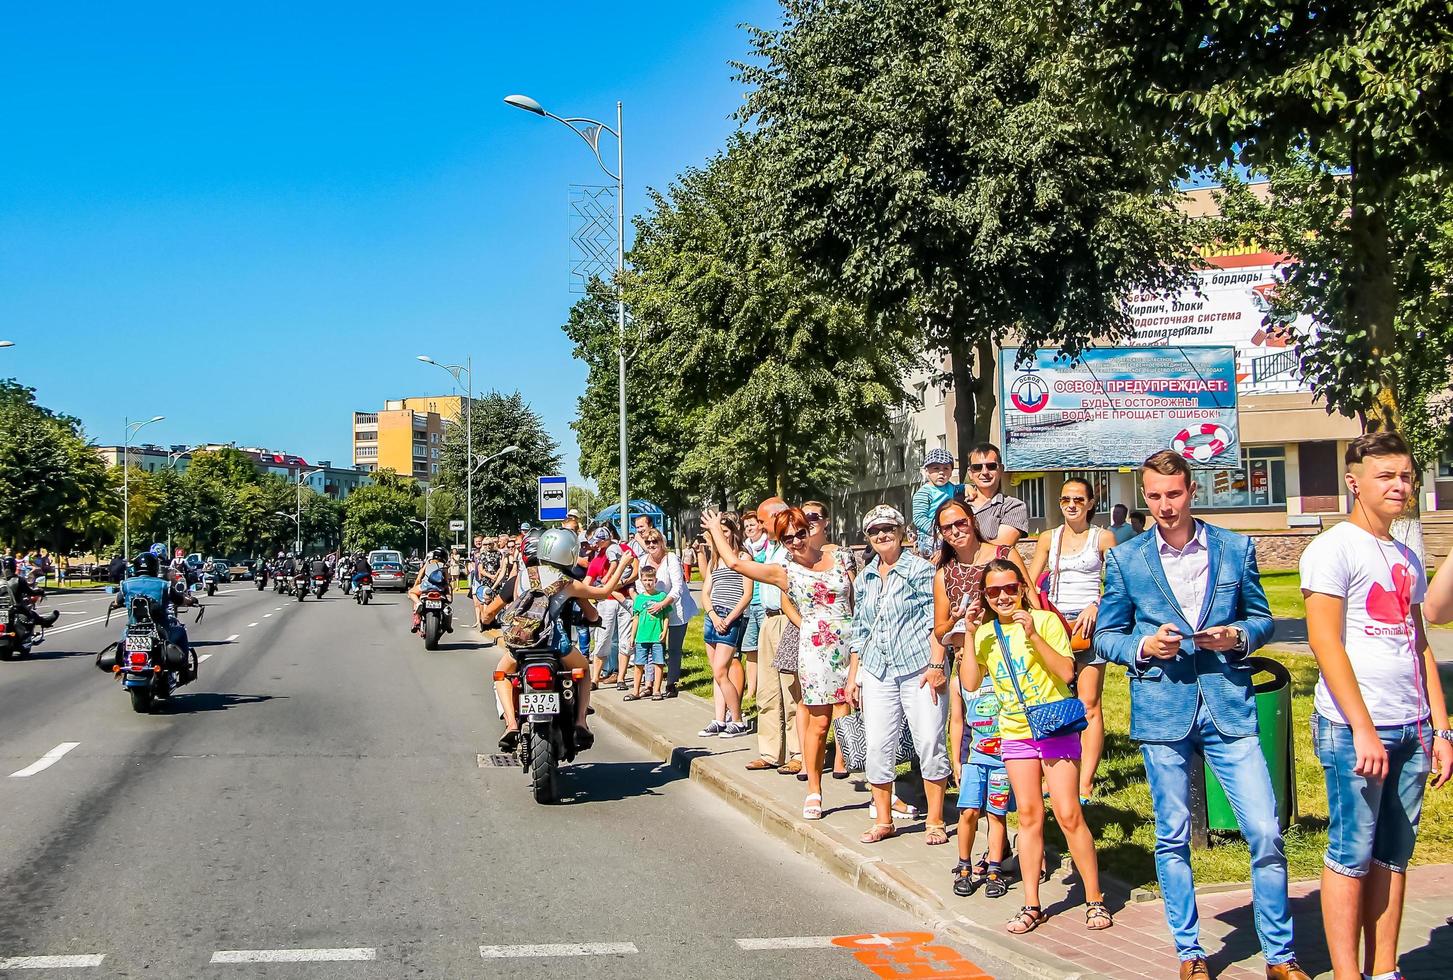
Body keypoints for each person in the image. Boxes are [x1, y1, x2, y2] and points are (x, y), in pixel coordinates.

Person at [1096, 450, 1303, 980]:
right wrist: (1144, 646)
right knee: (1172, 833)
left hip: (1228, 703)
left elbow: (1261, 619)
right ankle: (1189, 952)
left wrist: (1237, 636)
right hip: (1164, 710)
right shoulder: (1127, 558)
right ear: (1145, 496)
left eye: (1174, 494)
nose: (1165, 506)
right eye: (1154, 496)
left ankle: (1280, 956)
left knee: (1264, 829)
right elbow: (1106, 636)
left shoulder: (1234, 549)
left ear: (1192, 491)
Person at [1301, 431, 1452, 980]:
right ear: (1354, 482)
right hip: (1354, 729)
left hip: (1412, 726)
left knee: (1394, 854)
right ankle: (1347, 973)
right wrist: (1362, 729)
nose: (1399, 485)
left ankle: (1383, 969)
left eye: (1406, 475)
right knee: (1351, 852)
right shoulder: (1332, 548)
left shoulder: (1406, 552)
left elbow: (1419, 642)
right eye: (1386, 476)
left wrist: (1441, 727)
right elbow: (1325, 642)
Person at [969, 559, 1111, 935]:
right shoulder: (984, 634)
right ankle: (1032, 903)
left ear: (1021, 589)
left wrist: (1033, 634)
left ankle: (1094, 897)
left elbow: (1067, 672)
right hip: (1015, 732)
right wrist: (968, 635)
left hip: (1054, 727)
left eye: (1010, 588)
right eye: (993, 591)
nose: (1002, 597)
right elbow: (970, 682)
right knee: (1029, 817)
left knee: (1068, 814)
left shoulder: (1045, 621)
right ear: (985, 597)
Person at [703, 505, 850, 821]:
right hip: (816, 651)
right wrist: (716, 529)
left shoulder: (839, 557)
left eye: (800, 533)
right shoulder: (785, 571)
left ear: (809, 530)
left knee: (862, 715)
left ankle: (883, 792)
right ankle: (814, 789)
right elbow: (734, 562)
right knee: (820, 721)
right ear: (781, 541)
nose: (796, 542)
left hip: (851, 645)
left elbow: (854, 599)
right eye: (787, 539)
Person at [845, 505, 951, 846]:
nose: (882, 535)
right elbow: (860, 629)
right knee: (877, 743)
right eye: (874, 531)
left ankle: (935, 819)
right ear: (867, 538)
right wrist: (854, 676)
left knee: (929, 741)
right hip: (877, 669)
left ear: (902, 531)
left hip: (919, 667)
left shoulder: (922, 571)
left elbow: (939, 622)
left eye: (888, 528)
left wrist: (937, 665)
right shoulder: (864, 578)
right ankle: (884, 819)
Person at [493, 528, 624, 752]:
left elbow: (516, 604)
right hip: (554, 644)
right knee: (584, 671)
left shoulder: (523, 575)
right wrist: (622, 563)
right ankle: (581, 722)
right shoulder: (567, 581)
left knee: (501, 674)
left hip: (522, 645)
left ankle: (512, 725)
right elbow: (603, 592)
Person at [1027, 477, 1116, 803]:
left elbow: (1119, 583)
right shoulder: (1049, 538)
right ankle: (1057, 771)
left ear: (1091, 503)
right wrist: (1041, 614)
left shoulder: (1103, 537)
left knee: (1089, 703)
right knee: (1056, 699)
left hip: (1089, 624)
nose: (1072, 505)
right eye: (1066, 500)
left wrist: (1098, 604)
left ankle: (1086, 782)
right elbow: (1030, 581)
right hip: (1056, 623)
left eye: (1079, 499)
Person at [743, 497, 801, 774]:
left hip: (786, 620)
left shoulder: (791, 550)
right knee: (767, 691)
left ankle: (797, 752)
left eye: (764, 522)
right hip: (768, 619)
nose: (762, 527)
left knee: (792, 690)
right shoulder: (771, 549)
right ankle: (769, 751)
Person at [949, 662, 1014, 899]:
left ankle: (995, 868)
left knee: (997, 813)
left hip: (1001, 760)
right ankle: (963, 866)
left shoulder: (1002, 678)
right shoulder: (958, 684)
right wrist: (956, 760)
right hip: (973, 759)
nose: (961, 655)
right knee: (969, 812)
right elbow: (957, 721)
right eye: (957, 651)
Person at [699, 513, 753, 738]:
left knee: (722, 670)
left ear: (733, 532)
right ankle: (719, 719)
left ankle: (737, 719)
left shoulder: (743, 558)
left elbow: (747, 594)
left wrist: (729, 618)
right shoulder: (715, 560)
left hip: (730, 618)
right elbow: (705, 592)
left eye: (725, 532)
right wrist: (712, 614)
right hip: (713, 618)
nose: (721, 536)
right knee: (716, 672)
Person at [111, 551, 198, 682]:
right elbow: (180, 600)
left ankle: (123, 669)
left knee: (123, 641)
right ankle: (184, 671)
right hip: (160, 630)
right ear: (155, 567)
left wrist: (116, 604)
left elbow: (117, 601)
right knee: (180, 632)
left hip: (133, 629)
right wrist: (191, 601)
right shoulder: (163, 585)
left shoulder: (126, 584)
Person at [637, 528, 697, 697]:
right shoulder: (643, 560)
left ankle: (671, 682)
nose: (651, 545)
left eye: (654, 541)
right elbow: (639, 584)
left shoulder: (671, 559)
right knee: (652, 644)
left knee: (674, 648)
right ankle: (649, 683)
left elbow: (677, 587)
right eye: (648, 542)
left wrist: (662, 604)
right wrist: (644, 603)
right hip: (653, 610)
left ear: (661, 542)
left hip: (675, 607)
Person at [963, 443, 1028, 547]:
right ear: (970, 473)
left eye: (991, 466)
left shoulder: (1013, 507)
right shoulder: (958, 503)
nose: (985, 472)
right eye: (977, 467)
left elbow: (1001, 548)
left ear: (1001, 469)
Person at [623, 563, 670, 701]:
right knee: (639, 664)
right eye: (645, 580)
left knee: (658, 663)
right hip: (641, 637)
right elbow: (636, 618)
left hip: (657, 636)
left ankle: (656, 690)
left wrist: (664, 631)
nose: (648, 583)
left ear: (655, 580)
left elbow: (666, 616)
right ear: (641, 581)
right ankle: (636, 691)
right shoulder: (639, 599)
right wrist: (632, 636)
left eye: (651, 580)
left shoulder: (662, 596)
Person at [911, 448, 964, 559]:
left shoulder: (951, 487)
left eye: (946, 468)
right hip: (930, 536)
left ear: (951, 472)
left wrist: (968, 487)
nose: (941, 472)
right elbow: (919, 518)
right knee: (933, 564)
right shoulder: (924, 492)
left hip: (947, 532)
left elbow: (960, 488)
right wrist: (936, 531)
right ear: (926, 471)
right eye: (936, 468)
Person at [1, 555, 60, 630]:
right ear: (13, 566)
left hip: (2, 611)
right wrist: (40, 591)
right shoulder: (18, 580)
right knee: (31, 614)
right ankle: (45, 622)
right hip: (15, 609)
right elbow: (30, 592)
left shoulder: (1, 581)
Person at [408, 547, 452, 633]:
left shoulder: (428, 563)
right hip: (439, 589)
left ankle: (418, 607)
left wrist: (415, 585)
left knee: (411, 592)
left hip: (426, 587)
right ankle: (448, 622)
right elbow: (447, 580)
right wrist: (448, 591)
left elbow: (419, 577)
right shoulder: (444, 566)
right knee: (447, 603)